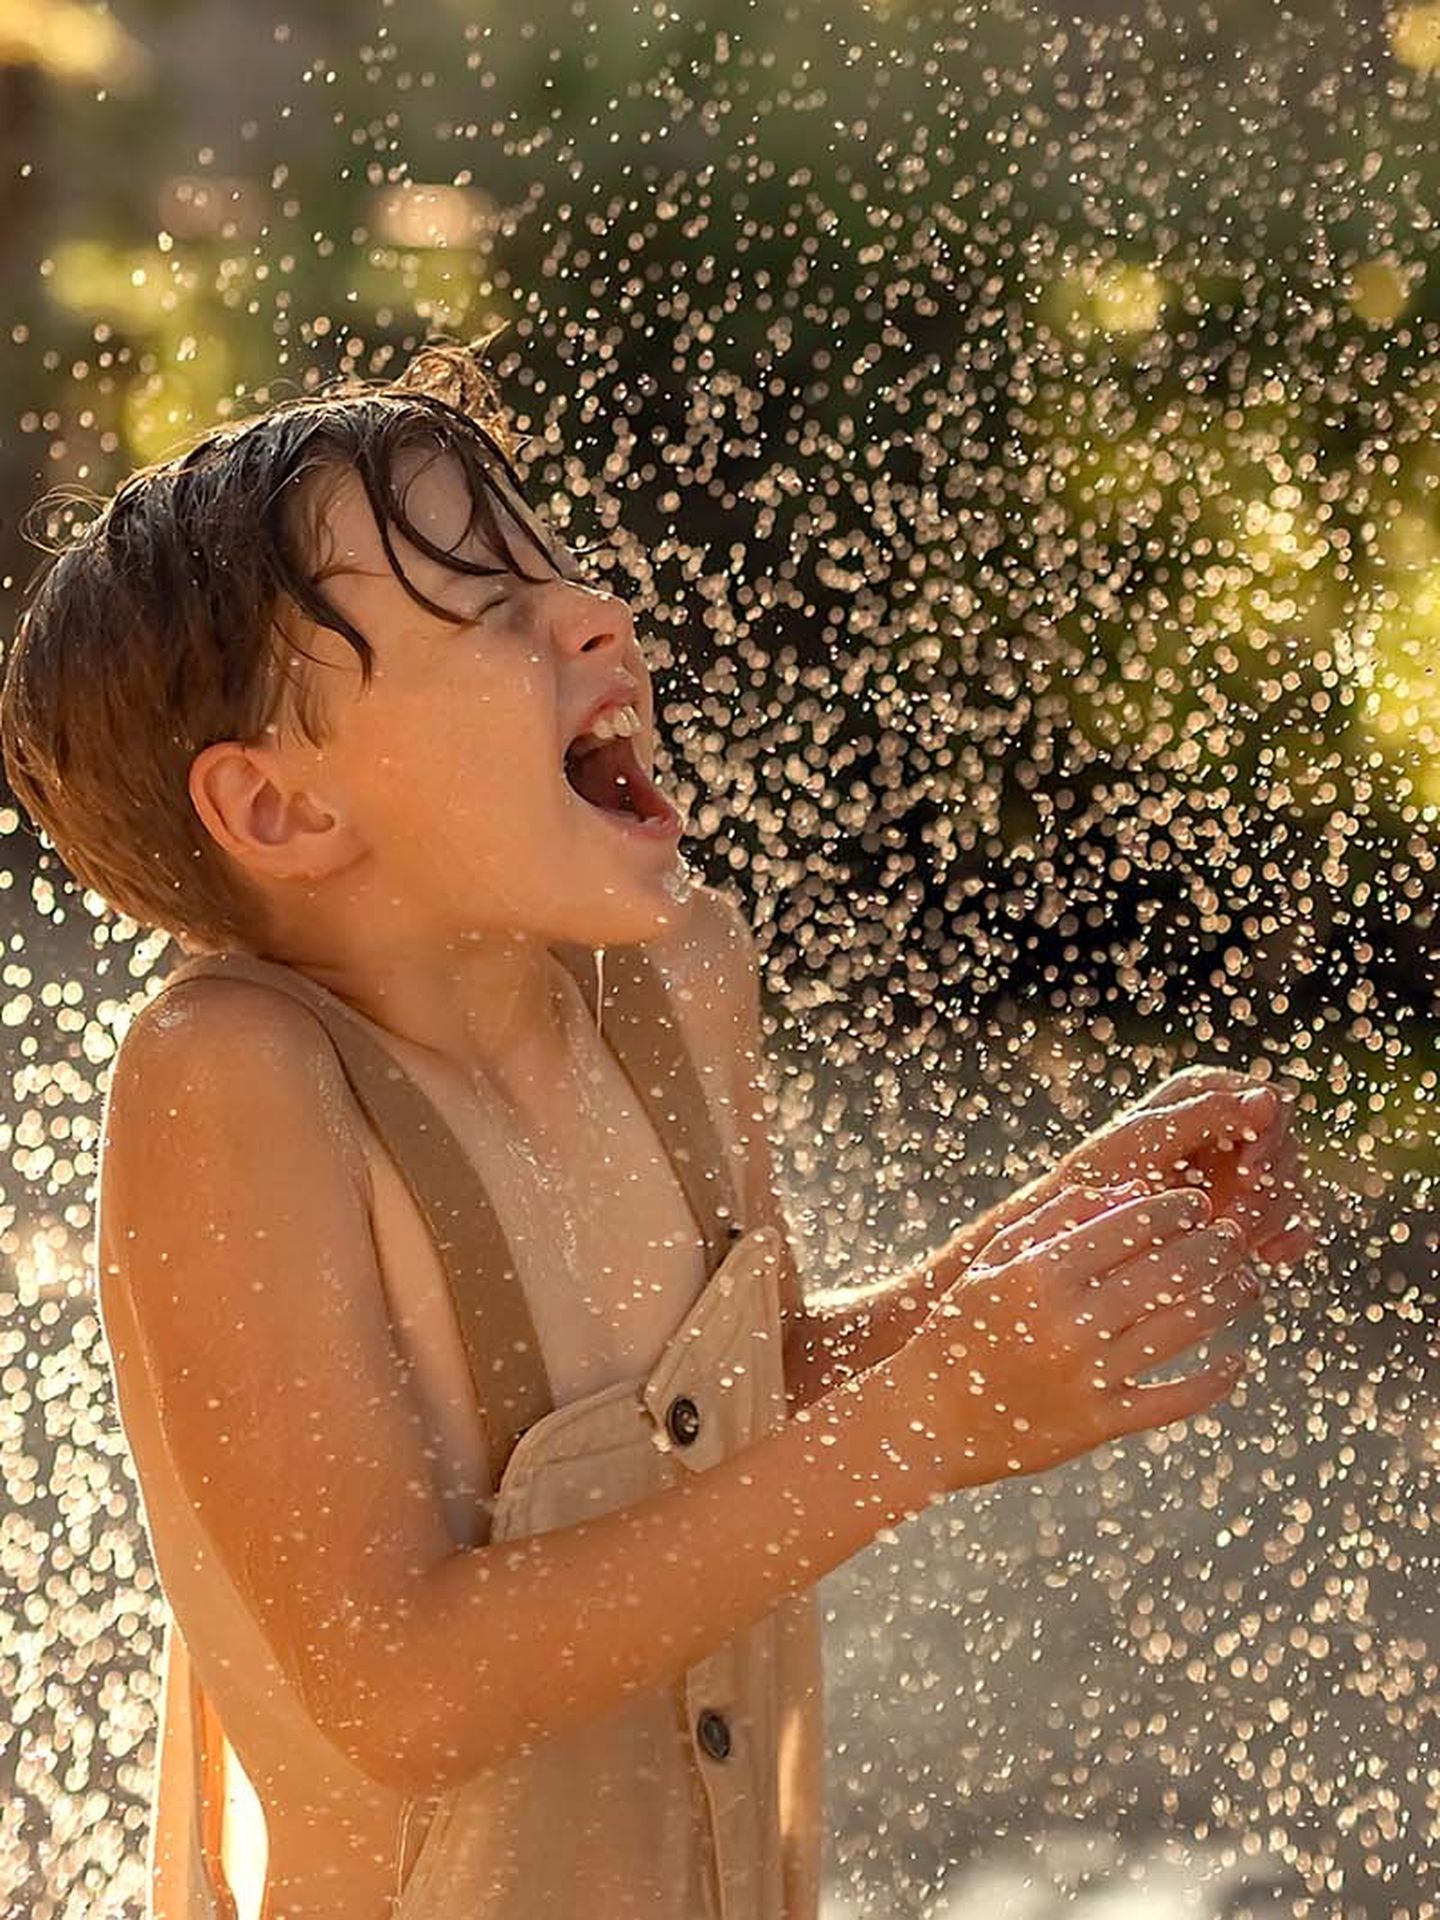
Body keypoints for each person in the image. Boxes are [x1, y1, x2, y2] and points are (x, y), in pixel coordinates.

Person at [0, 339, 1315, 1920]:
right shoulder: (237, 1084)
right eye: (492, 613)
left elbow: (741, 1403)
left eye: (557, 570)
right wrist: (933, 1420)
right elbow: (397, 1689)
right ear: (284, 811)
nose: (598, 615)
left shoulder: (675, 979)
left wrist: (1007, 1278)